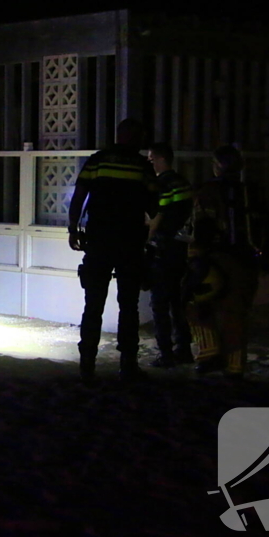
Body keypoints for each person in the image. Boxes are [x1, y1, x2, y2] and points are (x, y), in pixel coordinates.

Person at [68, 119, 157, 383]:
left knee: (92, 304)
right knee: (128, 306)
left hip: (98, 242)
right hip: (129, 244)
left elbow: (79, 196)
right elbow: (154, 205)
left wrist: (73, 229)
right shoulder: (142, 166)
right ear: (136, 137)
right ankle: (128, 365)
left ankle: (87, 365)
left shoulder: (98, 161)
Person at [183, 145, 269, 380]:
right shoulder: (252, 192)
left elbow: (202, 227)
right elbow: (267, 228)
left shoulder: (207, 191)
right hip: (247, 260)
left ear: (216, 166)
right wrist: (266, 258)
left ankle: (208, 353)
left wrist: (196, 258)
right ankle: (235, 366)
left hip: (217, 259)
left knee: (196, 303)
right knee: (236, 313)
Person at [146, 142, 195, 367]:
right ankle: (184, 349)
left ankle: (165, 353)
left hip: (163, 250)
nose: (150, 162)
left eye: (151, 158)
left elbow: (158, 217)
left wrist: (146, 240)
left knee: (160, 304)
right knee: (178, 302)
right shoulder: (183, 182)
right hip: (181, 249)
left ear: (161, 159)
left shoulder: (162, 184)